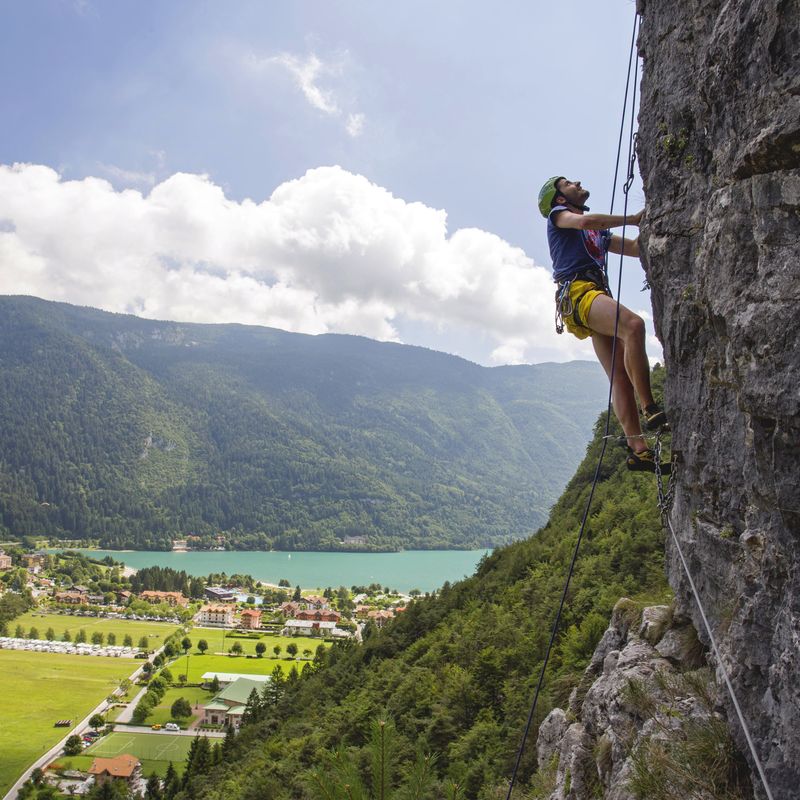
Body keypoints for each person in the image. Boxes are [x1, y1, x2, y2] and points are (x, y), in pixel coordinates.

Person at [538, 176, 669, 473]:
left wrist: (653, 225)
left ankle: (640, 452)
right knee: (633, 326)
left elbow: (635, 249)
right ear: (560, 199)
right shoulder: (559, 216)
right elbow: (585, 223)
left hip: (589, 297)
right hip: (580, 292)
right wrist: (632, 218)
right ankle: (650, 407)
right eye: (568, 183)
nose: (577, 182)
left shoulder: (598, 234)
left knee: (619, 376)